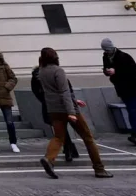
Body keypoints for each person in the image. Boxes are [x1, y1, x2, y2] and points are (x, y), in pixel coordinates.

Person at [37, 47, 111, 179]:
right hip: (67, 109)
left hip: (53, 109)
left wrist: (74, 100)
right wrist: (71, 111)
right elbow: (64, 91)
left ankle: (49, 159)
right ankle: (99, 168)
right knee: (88, 138)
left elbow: (52, 92)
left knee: (58, 137)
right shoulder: (58, 70)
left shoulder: (41, 72)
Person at [31, 65, 80, 162]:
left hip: (61, 104)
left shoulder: (56, 72)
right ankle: (69, 149)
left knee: (61, 129)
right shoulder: (37, 76)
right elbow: (36, 92)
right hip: (51, 105)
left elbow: (67, 88)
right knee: (60, 129)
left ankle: (68, 149)